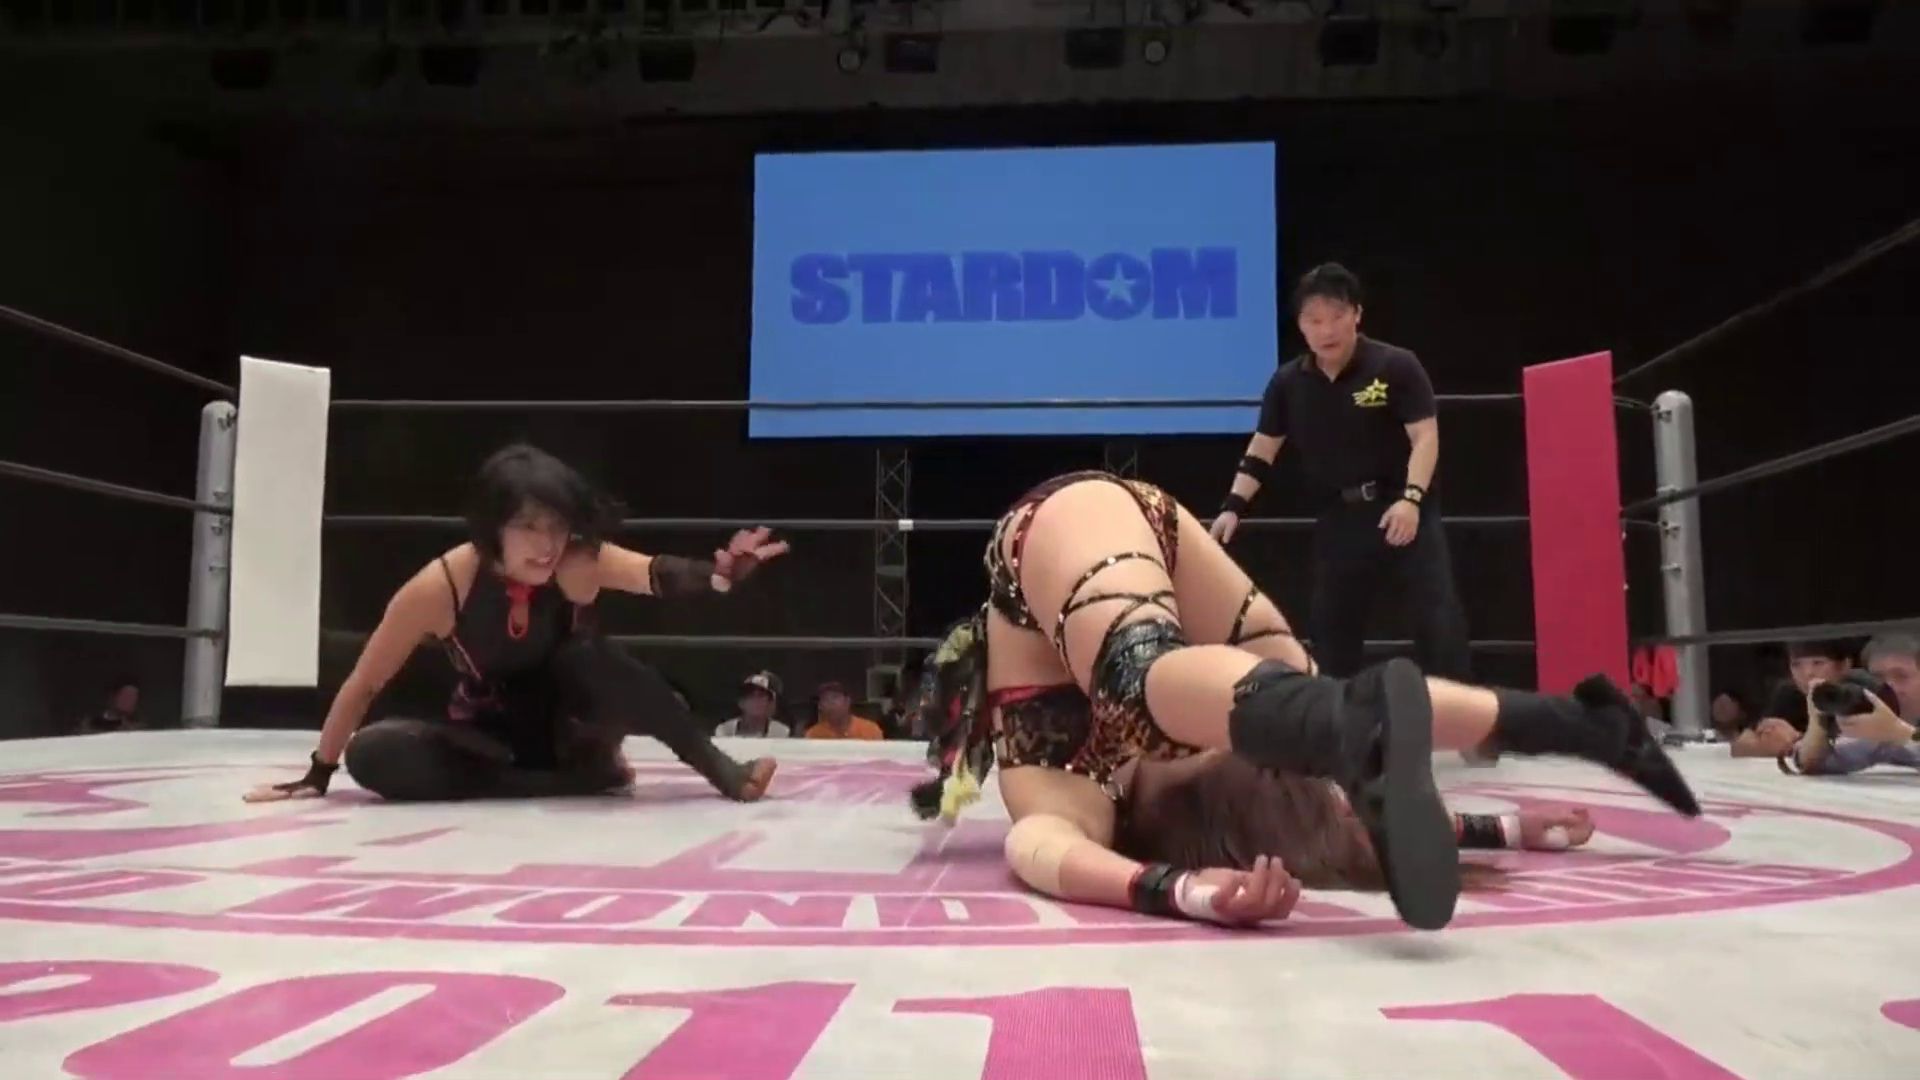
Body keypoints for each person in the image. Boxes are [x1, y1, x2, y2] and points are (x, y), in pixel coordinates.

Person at [909, 470, 1699, 931]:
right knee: (1309, 690)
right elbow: (1330, 821)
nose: (1212, 740)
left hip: (1062, 532)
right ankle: (1573, 721)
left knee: (1141, 685)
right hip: (1144, 542)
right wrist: (1507, 829)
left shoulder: (1071, 797)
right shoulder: (1186, 769)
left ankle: (1362, 724)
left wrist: (1183, 893)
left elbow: (1038, 851)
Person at [243, 444, 788, 804]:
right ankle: (558, 784)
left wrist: (722, 576)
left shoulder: (575, 560)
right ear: (492, 527)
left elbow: (659, 574)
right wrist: (318, 773)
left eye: (556, 526)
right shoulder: (441, 586)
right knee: (373, 752)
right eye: (528, 526)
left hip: (573, 729)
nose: (547, 544)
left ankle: (724, 771)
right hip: (492, 739)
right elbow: (364, 682)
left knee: (588, 656)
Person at [1211, 263, 1470, 684]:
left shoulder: (1395, 365)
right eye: (1314, 320)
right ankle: (1338, 717)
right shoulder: (1289, 382)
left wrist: (1411, 499)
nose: (1326, 330)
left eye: (1336, 317)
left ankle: (1463, 713)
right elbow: (1263, 448)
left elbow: (1425, 437)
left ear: (1357, 315)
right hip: (1340, 515)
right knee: (1332, 629)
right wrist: (1233, 506)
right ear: (1300, 325)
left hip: (1403, 510)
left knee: (1436, 620)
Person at [715, 671, 791, 738]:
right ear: (740, 702)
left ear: (770, 703)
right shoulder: (724, 731)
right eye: (749, 695)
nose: (754, 700)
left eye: (760, 696)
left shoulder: (780, 732)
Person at [805, 682, 885, 740]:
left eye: (835, 697)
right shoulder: (813, 734)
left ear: (847, 701)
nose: (831, 702)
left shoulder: (871, 729)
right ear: (820, 706)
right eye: (826, 699)